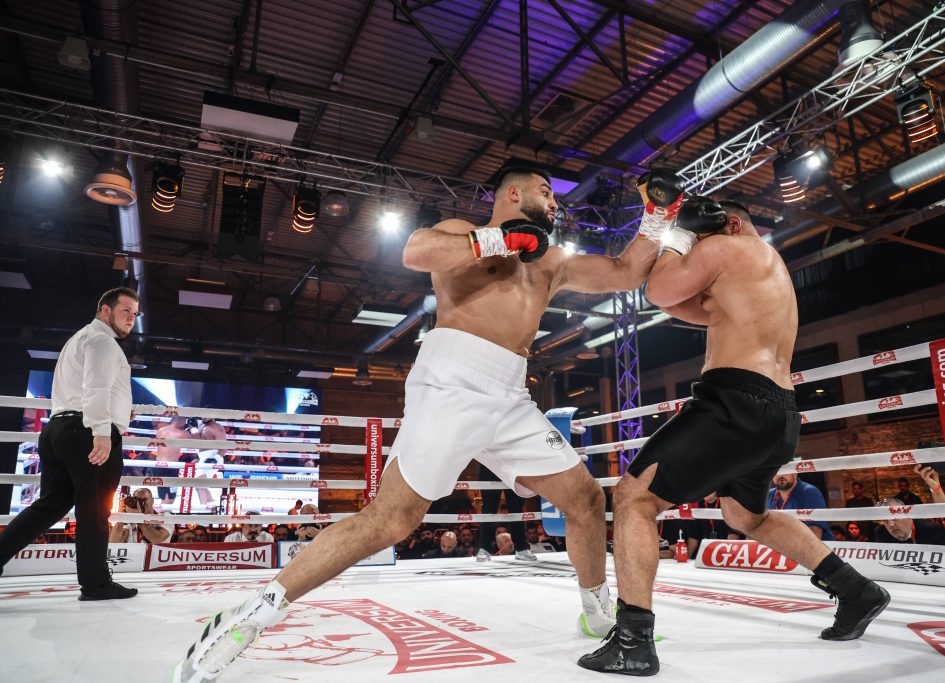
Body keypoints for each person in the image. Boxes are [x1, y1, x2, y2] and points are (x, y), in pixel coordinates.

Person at [173, 162, 665, 683]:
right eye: (547, 192)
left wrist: (659, 216)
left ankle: (598, 613)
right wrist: (497, 240)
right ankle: (251, 614)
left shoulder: (554, 262)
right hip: (453, 380)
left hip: (511, 392)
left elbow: (626, 272)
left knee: (585, 498)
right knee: (391, 520)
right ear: (514, 193)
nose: (556, 202)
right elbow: (414, 252)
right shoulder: (460, 233)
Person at [579, 195, 889, 676]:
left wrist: (677, 235)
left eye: (699, 239)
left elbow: (659, 293)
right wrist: (676, 260)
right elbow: (693, 306)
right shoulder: (768, 268)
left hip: (735, 401)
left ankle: (634, 641)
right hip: (778, 413)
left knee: (635, 496)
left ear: (732, 222)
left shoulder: (729, 245)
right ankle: (856, 590)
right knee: (747, 514)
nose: (694, 248)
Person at [0, 287, 140, 600]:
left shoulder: (81, 338)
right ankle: (95, 584)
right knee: (93, 510)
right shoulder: (102, 341)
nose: (131, 318)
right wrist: (102, 431)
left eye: (135, 314)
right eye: (125, 310)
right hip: (86, 431)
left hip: (59, 429)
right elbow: (96, 389)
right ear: (105, 310)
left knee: (49, 506)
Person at [476, 463, 536, 561]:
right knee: (488, 509)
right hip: (490, 462)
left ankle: (521, 548)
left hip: (513, 462)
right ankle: (484, 548)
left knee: (516, 508)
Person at [766, 473, 835, 540]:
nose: (781, 475)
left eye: (785, 471)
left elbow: (815, 533)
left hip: (816, 549)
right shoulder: (768, 495)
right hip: (780, 547)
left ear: (795, 473)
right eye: (777, 472)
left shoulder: (810, 492)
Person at [873, 498, 945, 545]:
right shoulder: (881, 533)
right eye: (886, 521)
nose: (891, 524)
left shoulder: (934, 531)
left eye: (895, 517)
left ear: (908, 515)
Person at [154, 416, 192, 504]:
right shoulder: (182, 434)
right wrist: (193, 429)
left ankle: (164, 514)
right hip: (171, 467)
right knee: (170, 497)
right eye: (184, 420)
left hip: (158, 465)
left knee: (163, 496)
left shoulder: (161, 431)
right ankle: (164, 515)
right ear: (181, 421)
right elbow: (197, 443)